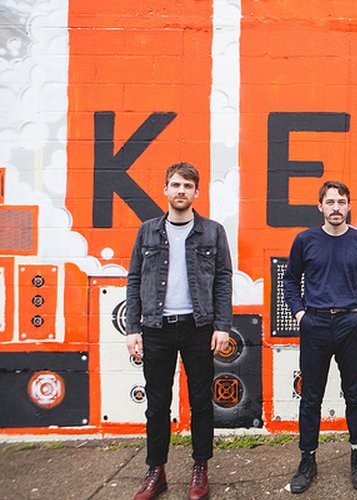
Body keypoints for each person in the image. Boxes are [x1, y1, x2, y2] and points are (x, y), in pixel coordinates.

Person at [126, 162, 232, 500]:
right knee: (157, 404)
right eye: (175, 184)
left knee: (200, 401)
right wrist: (132, 328)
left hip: (197, 327)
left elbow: (223, 279)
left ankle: (200, 468)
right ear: (166, 190)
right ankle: (156, 471)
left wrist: (222, 326)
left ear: (196, 192)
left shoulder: (212, 231)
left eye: (187, 185)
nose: (181, 191)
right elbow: (133, 278)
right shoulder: (147, 231)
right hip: (155, 327)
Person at [283, 180, 357, 493]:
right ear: (320, 206)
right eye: (330, 202)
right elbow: (290, 281)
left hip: (349, 324)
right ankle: (307, 461)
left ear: (349, 206)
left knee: (355, 394)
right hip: (314, 324)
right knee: (310, 397)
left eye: (341, 202)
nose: (335, 208)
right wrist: (300, 314)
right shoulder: (305, 240)